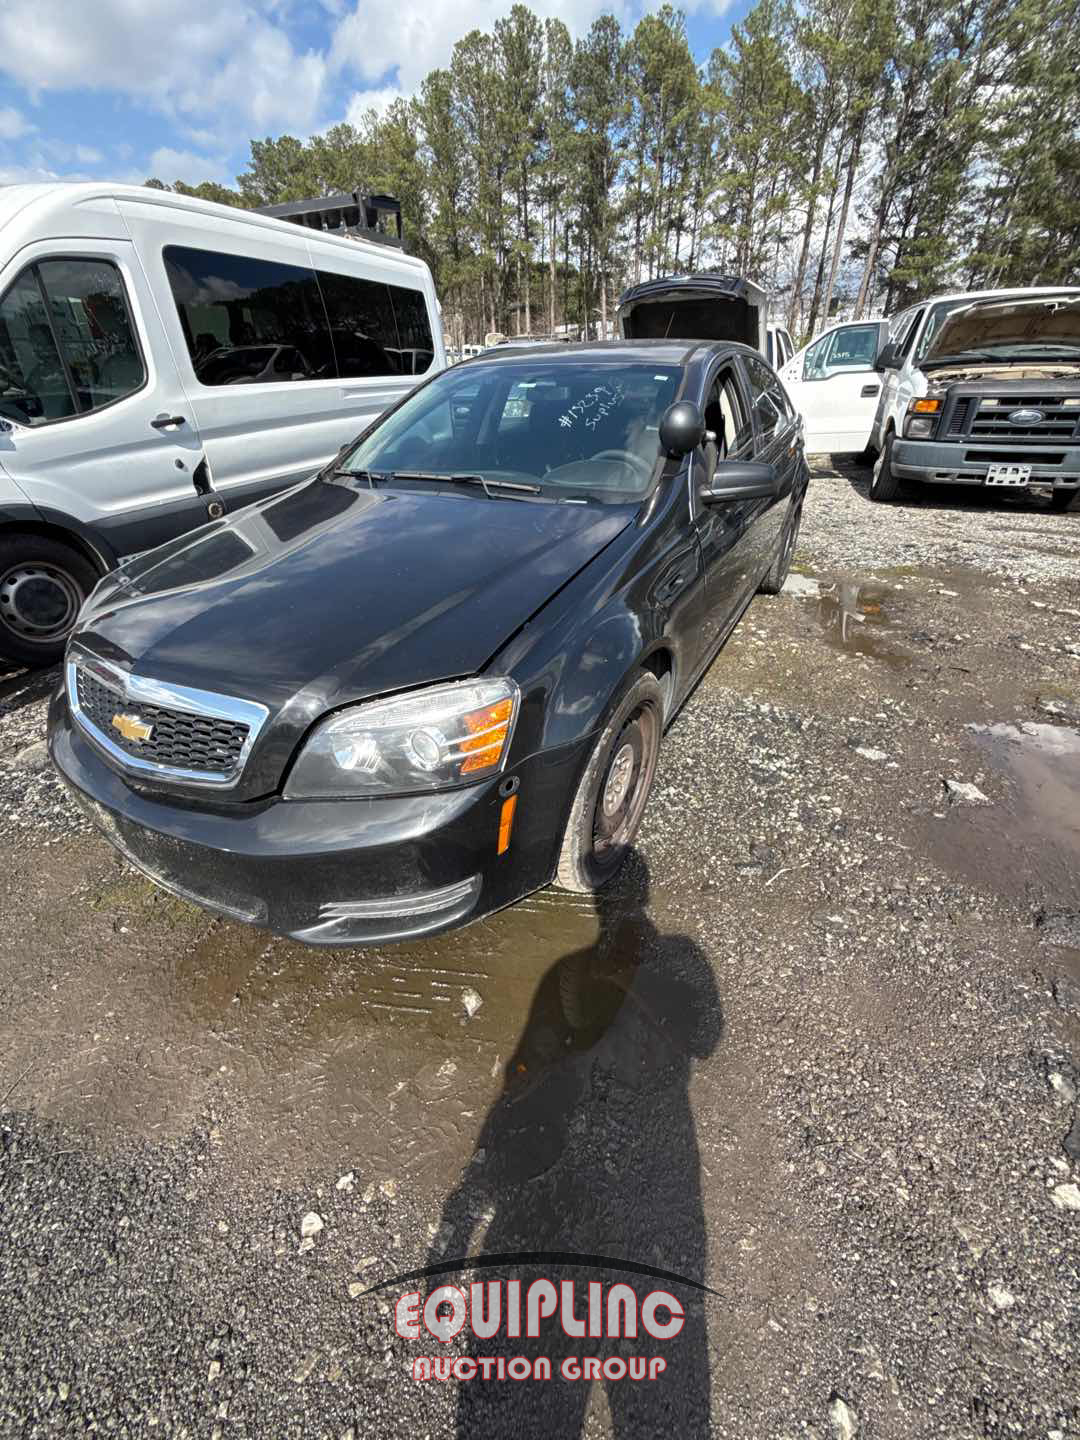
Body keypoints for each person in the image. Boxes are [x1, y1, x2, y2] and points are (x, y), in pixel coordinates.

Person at [428, 852, 724, 1437]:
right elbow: (538, 1062)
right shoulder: (570, 976)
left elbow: (703, 1038)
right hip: (581, 1162)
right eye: (610, 908)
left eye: (624, 907)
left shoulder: (674, 962)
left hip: (649, 1166)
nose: (620, 918)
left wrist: (633, 987)